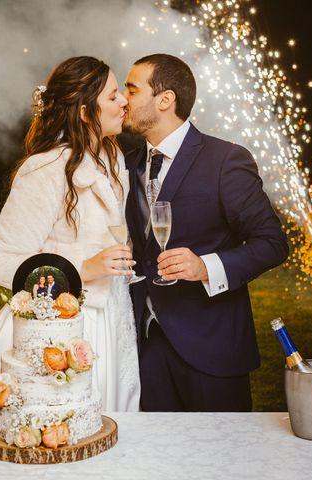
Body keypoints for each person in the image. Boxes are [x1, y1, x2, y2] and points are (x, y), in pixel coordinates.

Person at [0, 56, 140, 412]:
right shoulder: (46, 169)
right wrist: (82, 269)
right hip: (59, 328)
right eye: (113, 96)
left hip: (114, 315)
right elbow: (1, 261)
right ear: (85, 112)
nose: (124, 101)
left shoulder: (113, 157)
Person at [122, 53, 289, 412]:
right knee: (155, 463)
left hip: (212, 346)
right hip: (145, 345)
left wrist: (205, 267)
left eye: (132, 90)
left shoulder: (224, 160)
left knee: (220, 462)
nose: (123, 99)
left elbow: (273, 242)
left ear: (165, 100)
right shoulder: (128, 163)